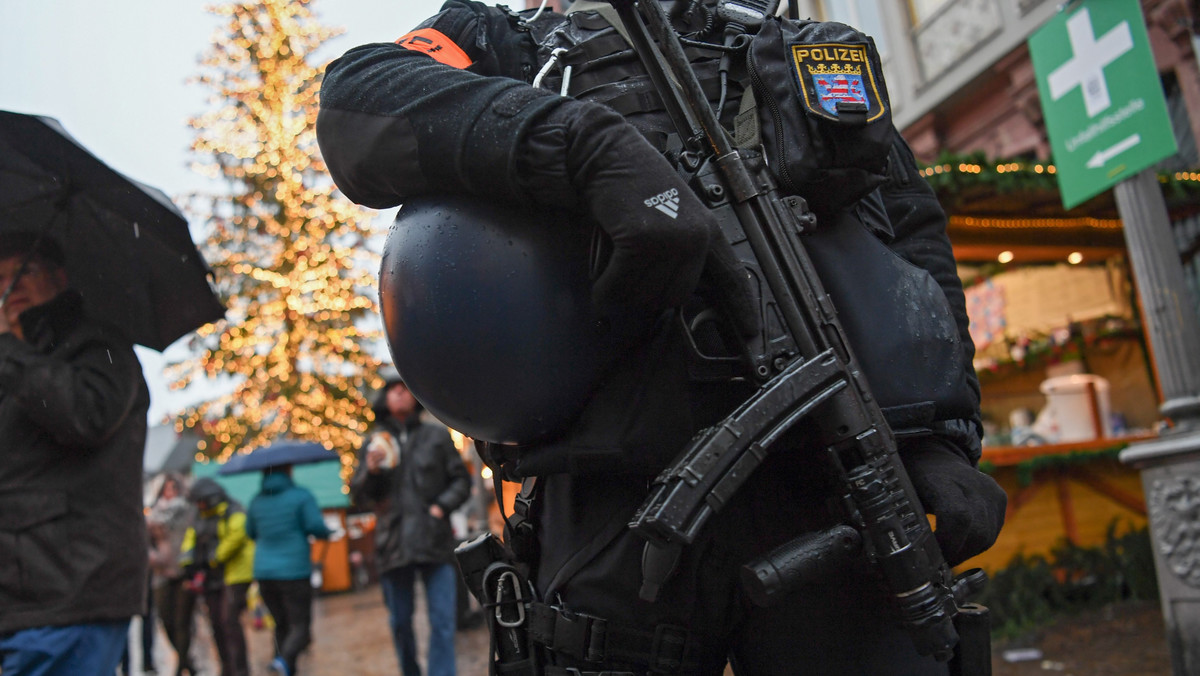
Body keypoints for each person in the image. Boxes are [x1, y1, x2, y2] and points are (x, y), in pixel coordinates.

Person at [316, 3, 1007, 674]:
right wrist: (583, 146)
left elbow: (910, 244)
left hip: (831, 479)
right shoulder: (507, 42)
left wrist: (943, 435)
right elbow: (357, 101)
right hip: (611, 505)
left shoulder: (798, 51)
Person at [0, 232, 151, 675]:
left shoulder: (98, 343)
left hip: (71, 587)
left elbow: (86, 415)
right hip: (22, 591)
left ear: (59, 277)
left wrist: (8, 350)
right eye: (1, 277)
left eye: (24, 271)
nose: (12, 285)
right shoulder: (16, 358)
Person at [349, 377, 472, 676]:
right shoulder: (374, 443)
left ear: (415, 397)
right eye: (393, 389)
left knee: (443, 621)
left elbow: (461, 480)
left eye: (405, 388)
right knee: (400, 623)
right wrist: (371, 471)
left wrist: (440, 507)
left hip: (434, 539)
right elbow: (360, 496)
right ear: (385, 400)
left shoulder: (436, 436)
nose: (400, 393)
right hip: (393, 543)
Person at [244, 464, 335, 676]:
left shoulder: (256, 501)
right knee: (300, 626)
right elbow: (315, 526)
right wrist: (327, 532)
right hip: (294, 570)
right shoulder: (301, 496)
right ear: (287, 471)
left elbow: (250, 532)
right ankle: (283, 660)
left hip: (264, 572)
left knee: (280, 624)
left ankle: (284, 665)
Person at [181, 478, 254, 676]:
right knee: (216, 623)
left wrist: (215, 557)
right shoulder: (198, 516)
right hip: (210, 577)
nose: (199, 506)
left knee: (229, 621)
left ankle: (241, 669)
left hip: (233, 574)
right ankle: (227, 667)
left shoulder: (232, 510)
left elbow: (237, 535)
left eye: (201, 501)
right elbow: (190, 538)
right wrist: (188, 561)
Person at [148, 473, 198, 676]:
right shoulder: (152, 515)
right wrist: (155, 558)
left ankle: (181, 666)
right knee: (165, 619)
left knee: (182, 622)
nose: (172, 492)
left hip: (184, 572)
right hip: (161, 573)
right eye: (168, 488)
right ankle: (187, 662)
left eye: (175, 488)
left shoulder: (189, 511)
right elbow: (144, 544)